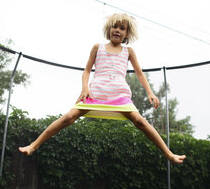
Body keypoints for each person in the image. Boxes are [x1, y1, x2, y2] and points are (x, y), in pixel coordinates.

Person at [19, 13, 186, 164]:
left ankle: (168, 154)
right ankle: (33, 145)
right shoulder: (97, 47)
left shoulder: (128, 51)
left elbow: (140, 74)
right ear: (109, 29)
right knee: (67, 118)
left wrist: (150, 93)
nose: (117, 30)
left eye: (122, 28)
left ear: (127, 34)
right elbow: (86, 71)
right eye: (115, 27)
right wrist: (85, 89)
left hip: (119, 95)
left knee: (140, 121)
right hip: (96, 93)